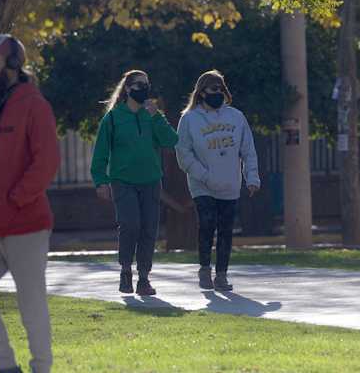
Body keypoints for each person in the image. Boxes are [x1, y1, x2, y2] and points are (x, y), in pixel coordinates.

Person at [0, 34, 60, 373]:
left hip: (26, 225)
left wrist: (15, 199)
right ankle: (7, 367)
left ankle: (41, 368)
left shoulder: (35, 105)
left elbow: (46, 162)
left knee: (31, 304)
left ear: (12, 66)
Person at [91, 70, 179, 296]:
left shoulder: (152, 115)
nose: (145, 89)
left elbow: (171, 140)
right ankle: (125, 271)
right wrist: (100, 181)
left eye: (147, 84)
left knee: (149, 229)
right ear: (128, 89)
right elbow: (100, 153)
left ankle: (143, 278)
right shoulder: (112, 118)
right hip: (123, 182)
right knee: (131, 225)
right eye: (140, 85)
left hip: (151, 181)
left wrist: (157, 116)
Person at [175, 70, 260, 292]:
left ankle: (221, 275)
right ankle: (204, 269)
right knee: (206, 224)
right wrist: (204, 175)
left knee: (226, 230)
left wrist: (252, 177)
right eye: (214, 89)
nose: (218, 93)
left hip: (230, 183)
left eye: (221, 89)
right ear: (202, 92)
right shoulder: (189, 119)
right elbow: (183, 154)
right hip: (202, 185)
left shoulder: (236, 117)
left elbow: (248, 150)